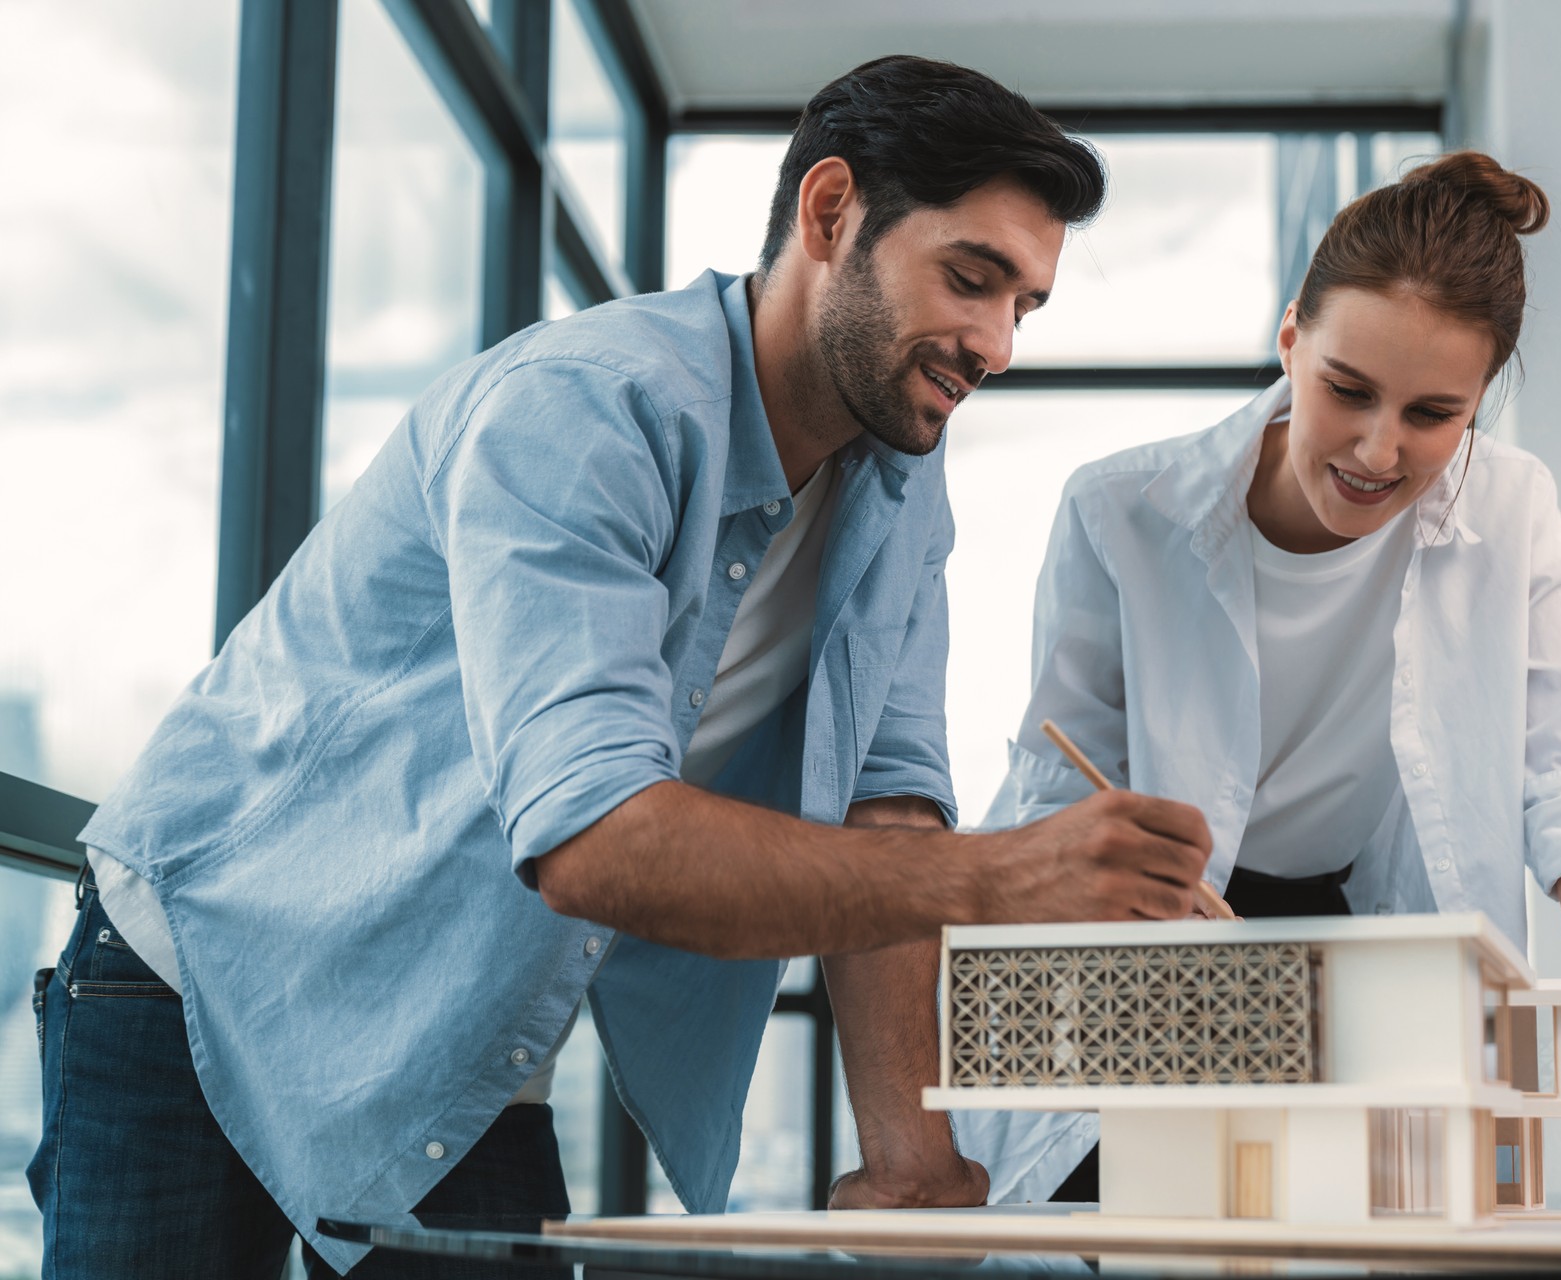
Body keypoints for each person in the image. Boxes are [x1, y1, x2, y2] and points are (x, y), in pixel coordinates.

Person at [30, 56, 1217, 1278]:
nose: (996, 343)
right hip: (209, 978)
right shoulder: (586, 408)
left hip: (455, 1027)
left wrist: (914, 1164)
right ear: (829, 214)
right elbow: (595, 835)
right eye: (971, 279)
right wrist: (1007, 877)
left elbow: (891, 806)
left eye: (1025, 305)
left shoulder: (903, 487)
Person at [957, 151, 1561, 1218]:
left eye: (1434, 413)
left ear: (1480, 402)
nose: (1376, 449)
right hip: (1162, 936)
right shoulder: (1124, 513)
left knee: (1417, 1219)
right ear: (1291, 335)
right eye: (1347, 390)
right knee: (1153, 1217)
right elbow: (1058, 817)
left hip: (1374, 940)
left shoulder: (1513, 515)